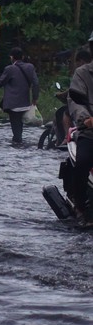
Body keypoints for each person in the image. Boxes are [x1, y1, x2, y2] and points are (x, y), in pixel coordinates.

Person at [0, 47, 39, 145]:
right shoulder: (30, 67)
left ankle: (17, 146)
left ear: (12, 57)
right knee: (19, 129)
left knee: (16, 130)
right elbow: (36, 83)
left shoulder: (10, 69)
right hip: (25, 104)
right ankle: (20, 143)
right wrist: (35, 99)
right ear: (22, 57)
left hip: (13, 105)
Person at [67, 30, 93, 222]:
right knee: (83, 160)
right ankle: (80, 205)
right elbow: (75, 100)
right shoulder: (83, 73)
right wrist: (85, 119)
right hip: (90, 130)